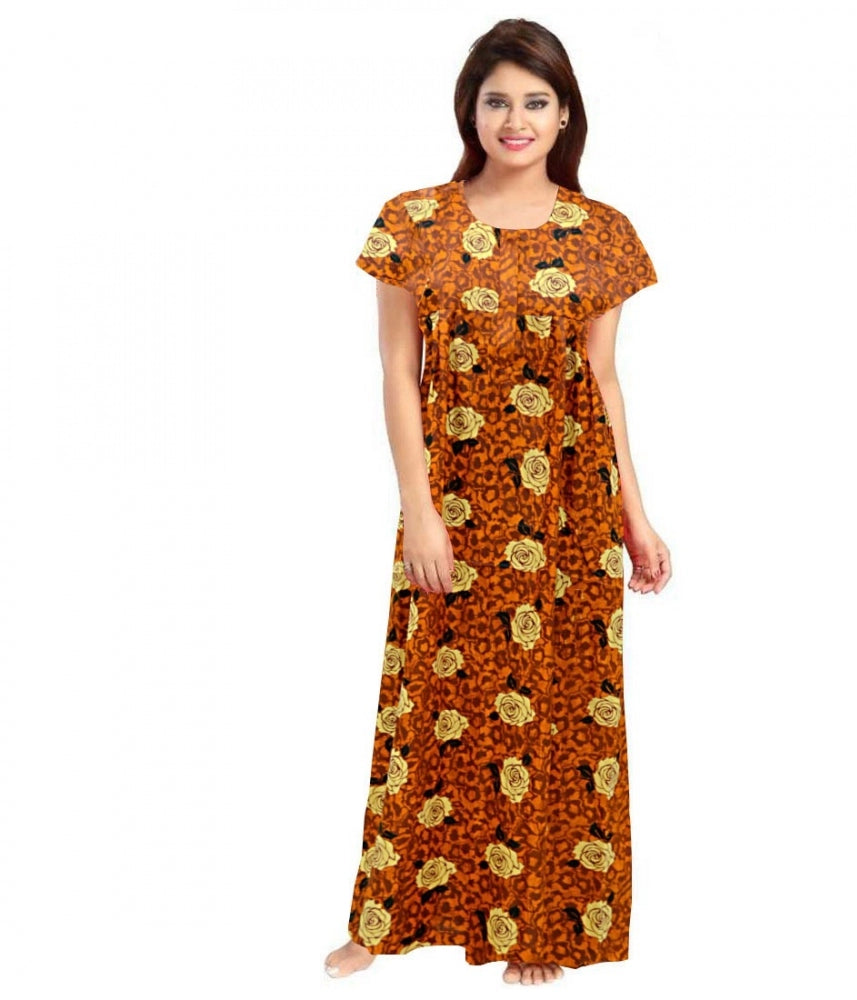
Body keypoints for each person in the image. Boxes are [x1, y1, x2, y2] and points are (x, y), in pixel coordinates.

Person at [324, 17, 672, 987]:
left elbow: (603, 382)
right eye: (497, 101)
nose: (515, 119)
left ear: (564, 115)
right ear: (469, 111)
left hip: (568, 516)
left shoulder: (602, 234)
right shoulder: (413, 222)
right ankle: (386, 919)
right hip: (456, 508)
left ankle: (539, 924)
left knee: (557, 714)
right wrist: (419, 507)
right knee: (426, 705)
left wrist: (636, 517)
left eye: (534, 101)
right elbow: (398, 374)